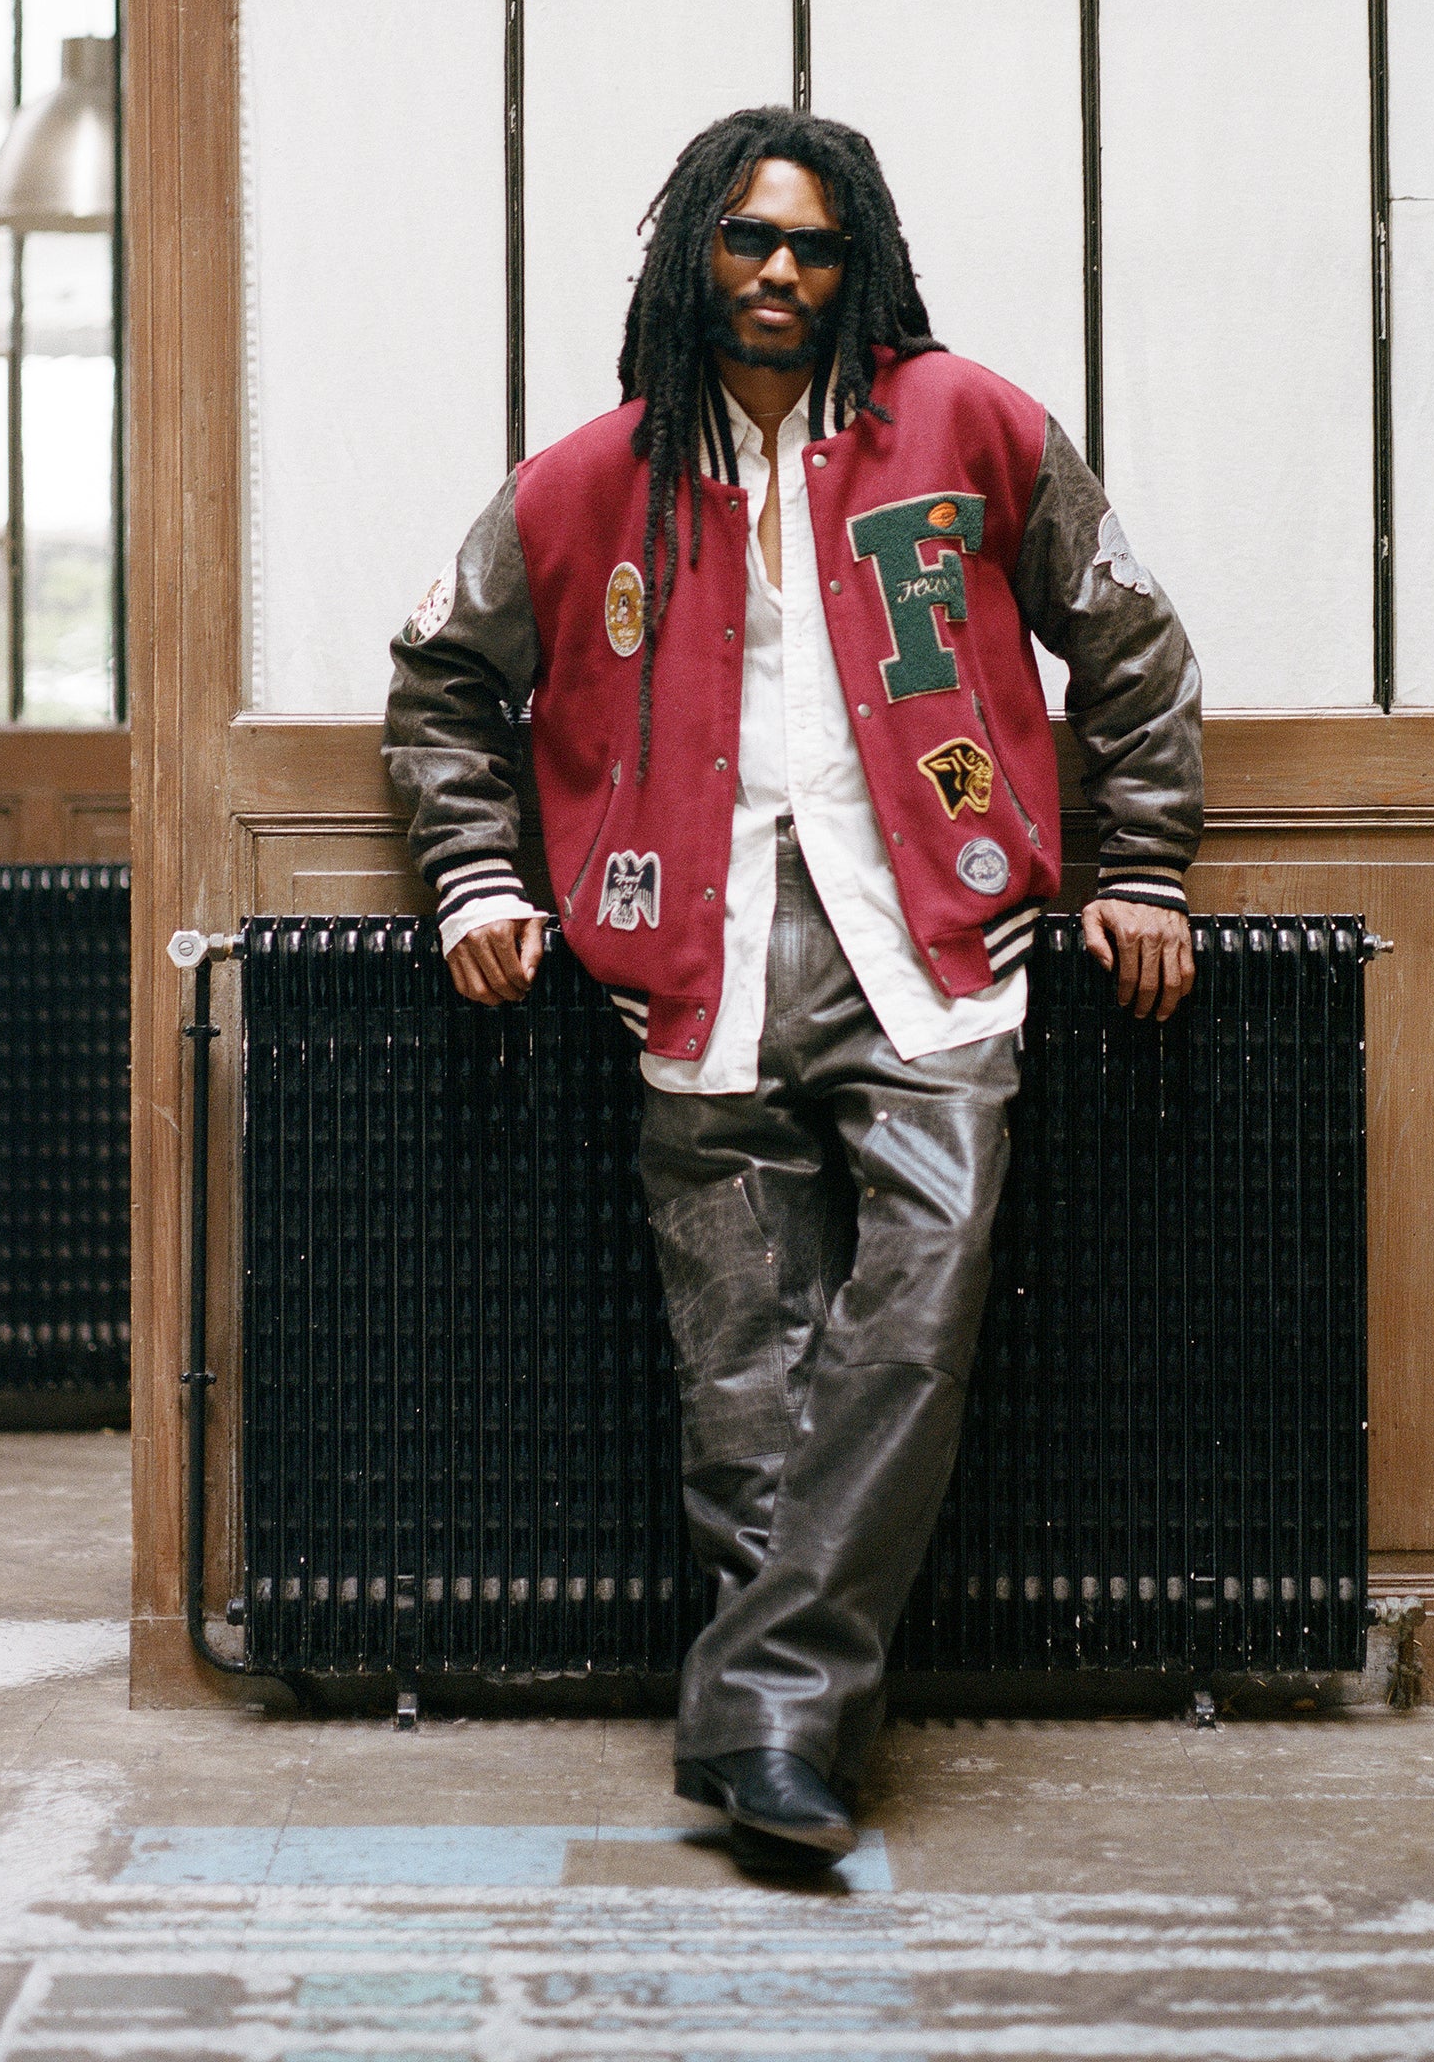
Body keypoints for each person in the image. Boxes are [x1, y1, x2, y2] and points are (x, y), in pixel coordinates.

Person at [382, 108, 1202, 1866]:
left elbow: (1130, 638)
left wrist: (1141, 868)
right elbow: (442, 685)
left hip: (935, 955)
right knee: (743, 1378)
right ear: (693, 252)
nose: (778, 273)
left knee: (911, 1333)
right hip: (694, 959)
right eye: (747, 240)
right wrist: (475, 878)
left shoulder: (972, 423)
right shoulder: (586, 479)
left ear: (860, 263)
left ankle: (759, 1710)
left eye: (813, 245)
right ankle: (785, 1749)